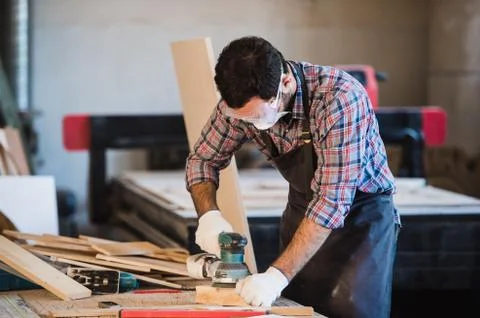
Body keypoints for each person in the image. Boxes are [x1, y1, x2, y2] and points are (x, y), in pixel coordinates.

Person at [185, 35, 400, 318]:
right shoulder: (238, 105)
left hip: (360, 219)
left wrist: (276, 276)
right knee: (294, 310)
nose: (251, 124)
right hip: (303, 208)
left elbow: (331, 202)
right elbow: (203, 160)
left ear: (285, 83)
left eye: (257, 117)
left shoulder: (339, 99)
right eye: (244, 119)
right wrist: (209, 217)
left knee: (353, 310)